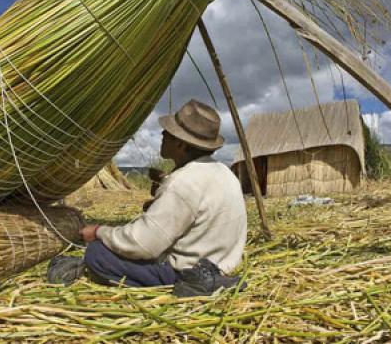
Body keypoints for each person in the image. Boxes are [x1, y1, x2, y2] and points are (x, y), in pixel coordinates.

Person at [48, 99, 248, 297]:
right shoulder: (223, 172)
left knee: (96, 254)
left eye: (168, 133)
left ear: (180, 143)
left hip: (190, 272)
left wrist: (99, 232)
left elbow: (143, 245)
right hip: (224, 262)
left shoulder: (182, 182)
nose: (162, 134)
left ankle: (197, 285)